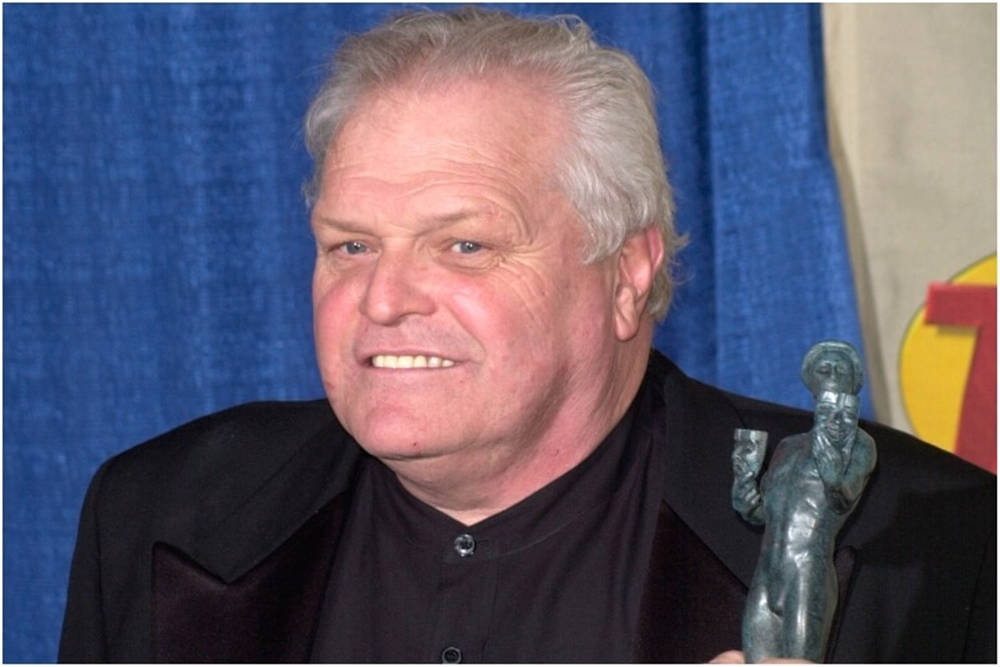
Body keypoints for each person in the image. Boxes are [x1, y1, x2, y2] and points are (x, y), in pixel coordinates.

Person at [58, 8, 995, 663]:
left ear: (628, 272)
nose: (382, 298)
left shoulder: (927, 541)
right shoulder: (158, 514)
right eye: (349, 244)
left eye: (462, 244)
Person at [732, 342, 877, 663]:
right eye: (824, 370)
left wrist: (831, 467)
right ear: (811, 384)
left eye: (842, 369)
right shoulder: (788, 447)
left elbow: (843, 497)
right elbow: (764, 514)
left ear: (855, 382)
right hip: (767, 575)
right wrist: (745, 496)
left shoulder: (859, 445)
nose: (833, 375)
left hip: (807, 575)